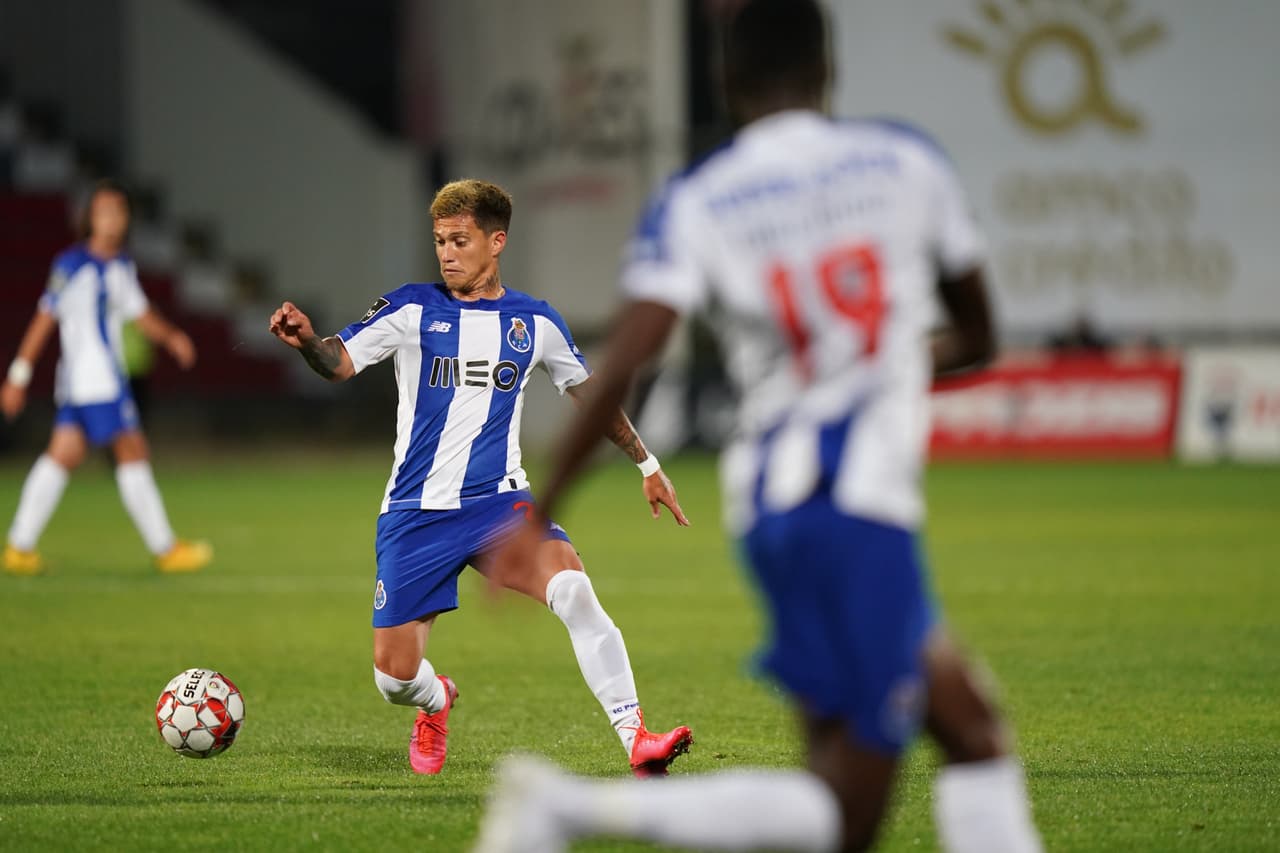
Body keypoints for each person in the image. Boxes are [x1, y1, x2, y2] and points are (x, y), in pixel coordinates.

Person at [473, 1, 1044, 851]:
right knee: (849, 806)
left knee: (969, 728)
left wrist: (543, 502)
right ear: (829, 69)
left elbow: (626, 357)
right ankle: (565, 808)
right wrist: (875, 361)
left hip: (773, 511)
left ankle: (564, 808)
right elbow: (981, 336)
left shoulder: (700, 199)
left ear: (730, 83)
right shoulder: (905, 162)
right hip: (856, 506)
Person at [267, 178, 694, 777]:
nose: (446, 252)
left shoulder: (535, 322)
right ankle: (437, 700)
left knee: (573, 590)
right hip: (416, 514)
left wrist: (646, 463)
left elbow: (588, 395)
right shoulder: (412, 307)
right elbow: (339, 361)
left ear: (496, 242)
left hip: (500, 506)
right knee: (392, 680)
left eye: (459, 240)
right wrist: (308, 340)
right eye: (439, 240)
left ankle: (636, 738)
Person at [3, 179, 213, 575]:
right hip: (97, 381)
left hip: (81, 384)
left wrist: (171, 337)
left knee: (62, 455)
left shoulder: (119, 265)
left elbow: (140, 313)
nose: (114, 218)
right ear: (89, 218)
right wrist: (19, 373)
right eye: (105, 211)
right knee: (132, 450)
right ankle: (166, 549)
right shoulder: (74, 265)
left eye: (120, 210)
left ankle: (18, 546)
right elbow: (43, 319)